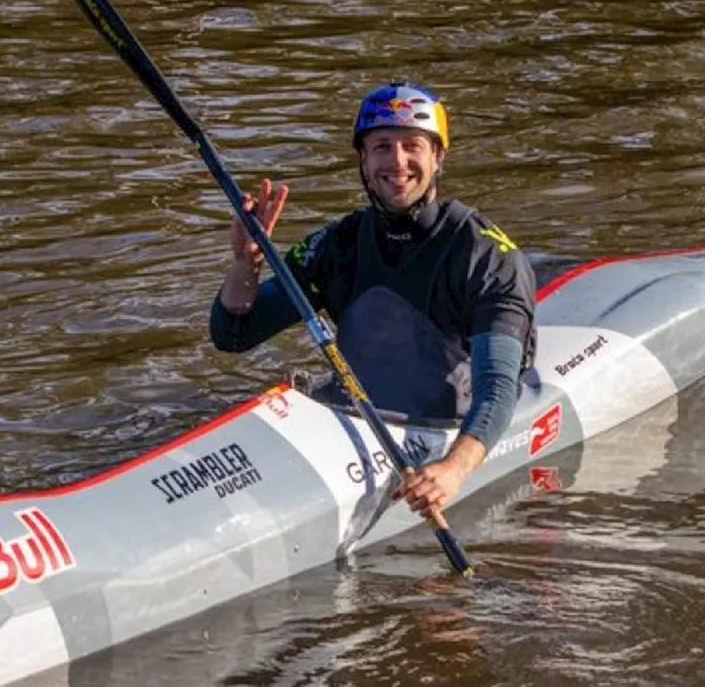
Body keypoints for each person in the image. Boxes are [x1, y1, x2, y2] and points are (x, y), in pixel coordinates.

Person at [209, 80, 536, 519]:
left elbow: (497, 387)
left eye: (412, 146)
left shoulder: (487, 255)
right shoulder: (337, 244)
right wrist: (245, 265)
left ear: (438, 157)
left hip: (442, 429)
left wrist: (452, 471)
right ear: (363, 159)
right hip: (347, 421)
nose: (397, 162)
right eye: (381, 146)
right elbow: (234, 334)